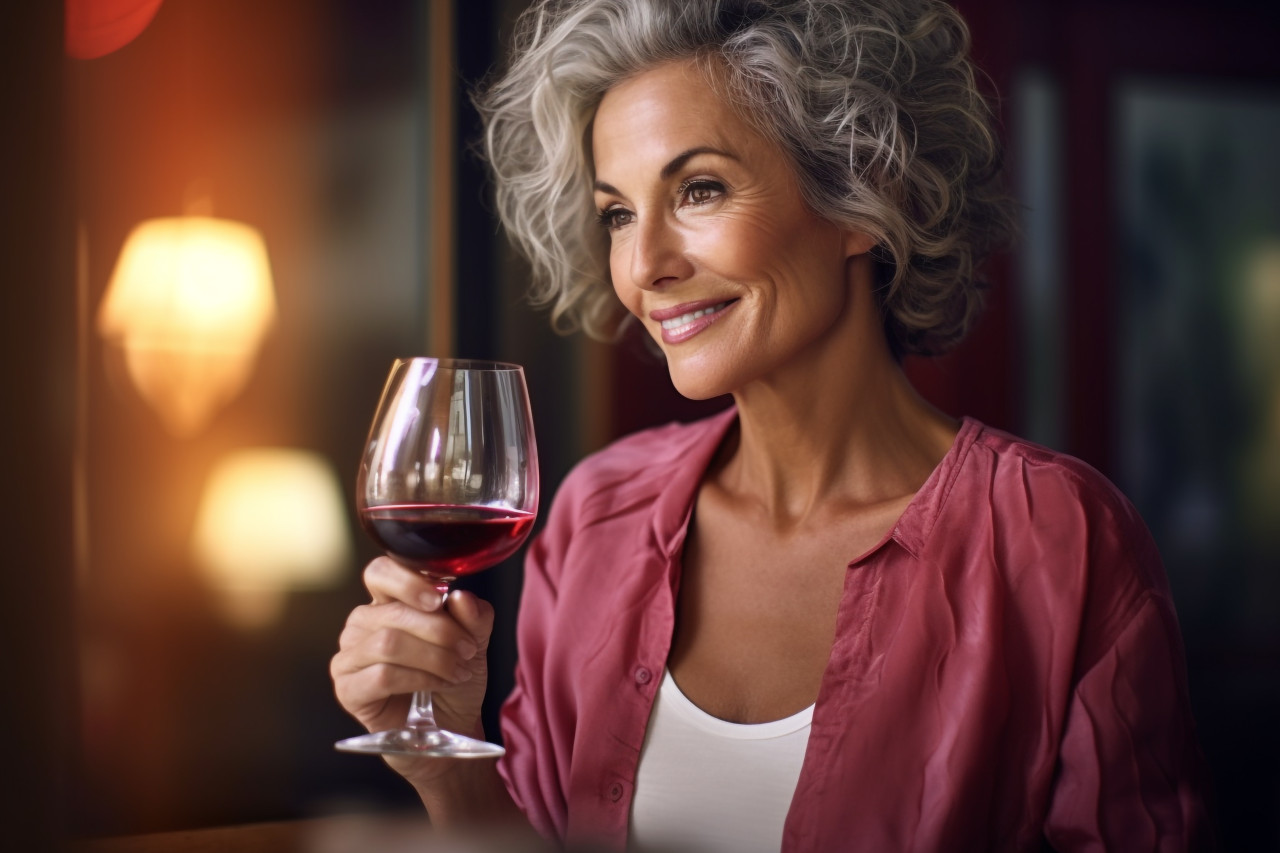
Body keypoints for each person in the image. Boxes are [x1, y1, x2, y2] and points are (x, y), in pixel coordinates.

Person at [331, 1, 1214, 850]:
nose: (645, 266)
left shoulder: (1058, 540)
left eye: (700, 189)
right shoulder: (598, 514)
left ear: (864, 188)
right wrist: (443, 759)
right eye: (618, 214)